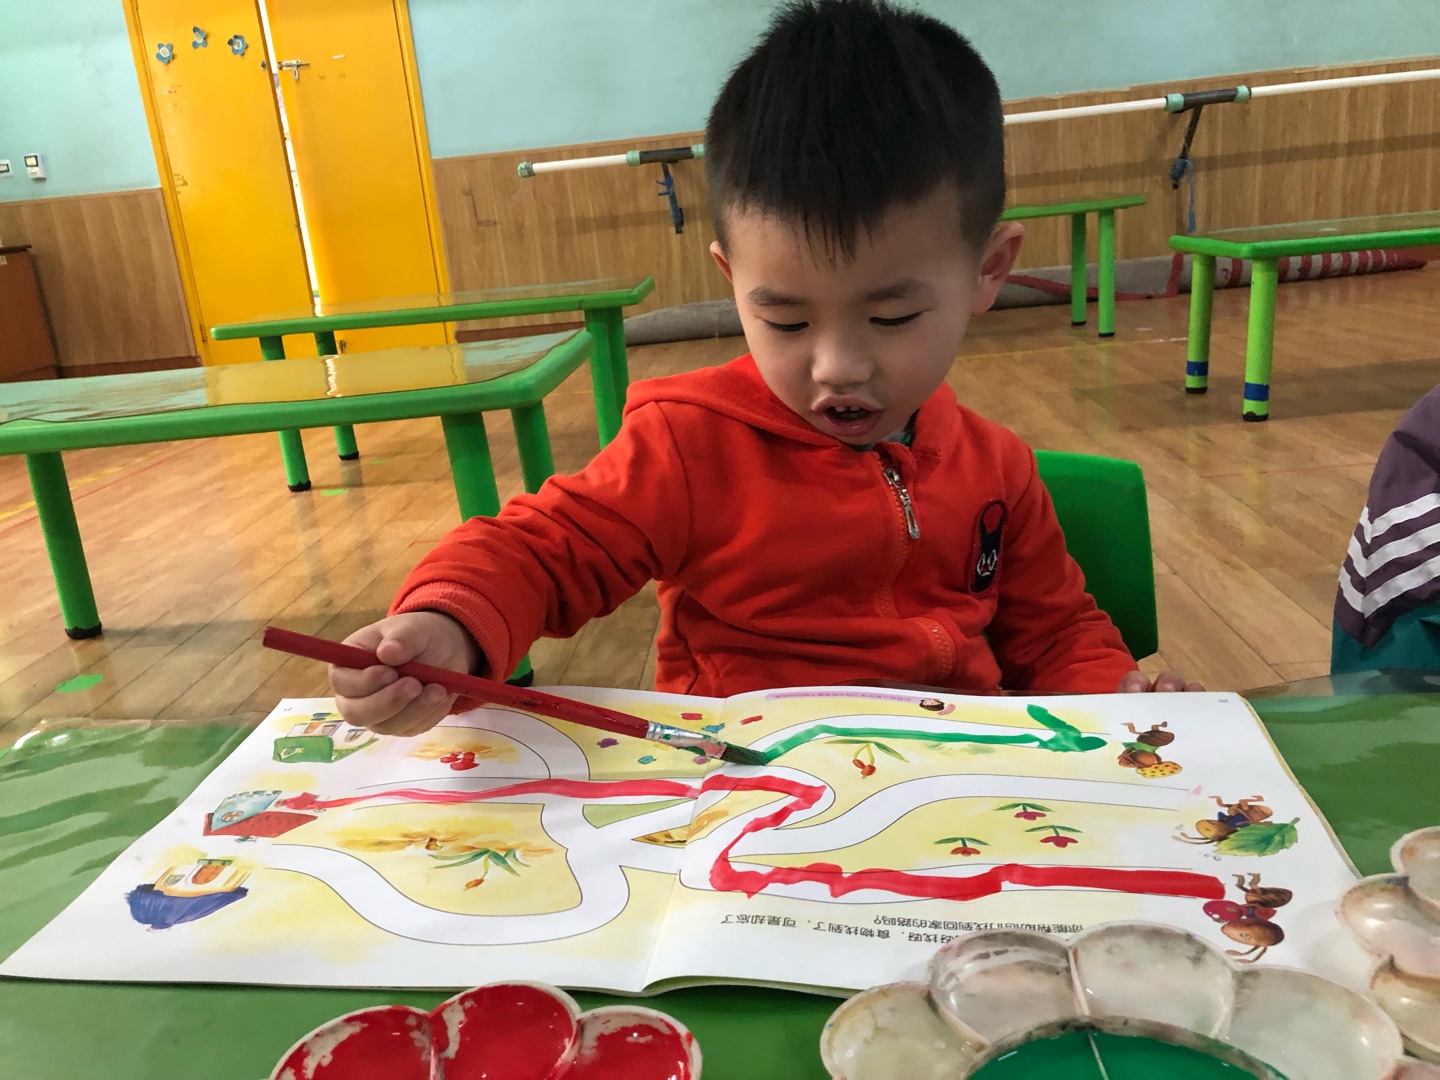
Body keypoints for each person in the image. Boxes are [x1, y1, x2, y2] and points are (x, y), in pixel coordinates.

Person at [331, 0, 1200, 736]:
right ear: (731, 280)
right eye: (783, 319)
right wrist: (446, 622)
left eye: (891, 317)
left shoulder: (997, 468)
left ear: (990, 270)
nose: (837, 367)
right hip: (748, 789)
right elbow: (541, 551)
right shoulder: (684, 447)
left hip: (956, 785)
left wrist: (1114, 698)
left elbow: (1055, 636)